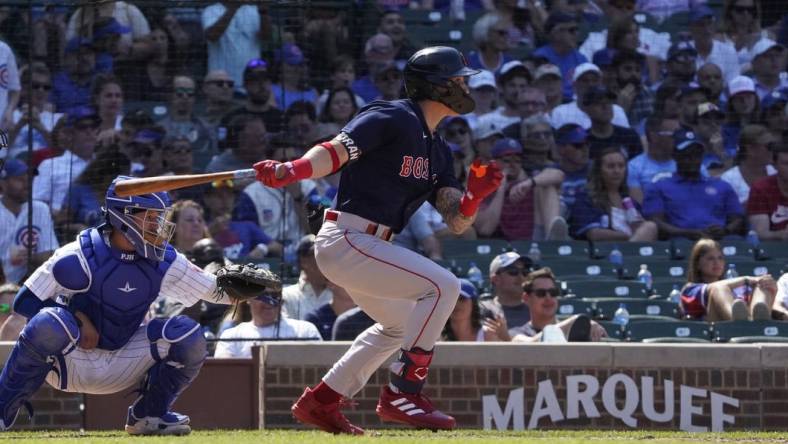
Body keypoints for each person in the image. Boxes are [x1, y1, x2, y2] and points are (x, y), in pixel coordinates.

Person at [254, 46, 502, 433]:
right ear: (436, 85)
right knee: (443, 286)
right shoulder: (392, 115)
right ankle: (404, 392)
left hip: (374, 247)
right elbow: (337, 151)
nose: (463, 86)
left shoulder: (438, 148)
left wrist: (474, 198)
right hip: (347, 235)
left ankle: (322, 401)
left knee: (400, 327)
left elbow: (455, 221)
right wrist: (295, 169)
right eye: (456, 79)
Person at [0, 176, 246, 434]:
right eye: (151, 218)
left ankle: (148, 416)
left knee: (188, 335)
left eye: (159, 218)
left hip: (124, 359)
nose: (158, 226)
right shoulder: (78, 253)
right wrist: (79, 317)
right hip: (70, 359)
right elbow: (25, 301)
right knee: (49, 322)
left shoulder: (165, 258)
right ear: (124, 217)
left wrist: (251, 287)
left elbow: (213, 290)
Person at [643, 130, 744, 240]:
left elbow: (737, 218)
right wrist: (686, 233)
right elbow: (655, 222)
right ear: (675, 155)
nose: (692, 159)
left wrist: (725, 230)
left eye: (697, 154)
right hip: (681, 242)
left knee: (735, 241)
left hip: (719, 240)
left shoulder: (722, 186)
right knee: (680, 242)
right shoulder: (659, 187)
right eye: (687, 155)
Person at [475, 137, 566, 241]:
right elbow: (486, 229)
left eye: (517, 161)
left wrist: (529, 183)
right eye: (507, 161)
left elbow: (559, 175)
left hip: (535, 241)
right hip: (502, 245)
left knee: (545, 185)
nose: (513, 165)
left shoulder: (530, 179)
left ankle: (553, 238)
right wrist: (500, 187)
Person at [569, 146, 658, 241]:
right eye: (611, 166)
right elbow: (593, 234)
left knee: (650, 226)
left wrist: (638, 227)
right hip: (602, 251)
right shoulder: (586, 198)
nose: (617, 171)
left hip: (632, 251)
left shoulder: (631, 202)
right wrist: (627, 236)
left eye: (621, 166)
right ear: (599, 171)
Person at [681, 238, 777, 320]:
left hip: (751, 321)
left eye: (720, 258)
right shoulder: (690, 289)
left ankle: (758, 323)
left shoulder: (736, 289)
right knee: (718, 288)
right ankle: (739, 322)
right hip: (718, 330)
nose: (716, 262)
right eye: (710, 258)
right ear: (697, 264)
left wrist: (771, 287)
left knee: (763, 284)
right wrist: (746, 279)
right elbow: (714, 287)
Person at [0, 159, 59, 284]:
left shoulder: (40, 209)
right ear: (3, 183)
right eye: (20, 179)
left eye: (29, 179)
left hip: (27, 283)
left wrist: (31, 257)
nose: (27, 184)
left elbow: (52, 255)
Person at [214, 291, 322, 358]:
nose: (270, 302)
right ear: (248, 299)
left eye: (275, 296)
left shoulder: (305, 331)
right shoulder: (231, 336)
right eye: (263, 296)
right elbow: (224, 374)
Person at [510, 267, 607, 342]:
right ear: (526, 298)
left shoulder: (576, 331)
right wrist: (572, 322)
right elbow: (529, 346)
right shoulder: (516, 333)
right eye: (541, 293)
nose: (548, 298)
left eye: (553, 292)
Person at [33, 106, 99, 213]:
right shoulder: (49, 165)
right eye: (82, 127)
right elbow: (37, 204)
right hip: (61, 225)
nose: (89, 131)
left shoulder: (105, 164)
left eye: (93, 126)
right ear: (69, 134)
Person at [202, 2, 269, 91]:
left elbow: (266, 37)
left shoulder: (254, 10)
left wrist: (263, 13)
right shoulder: (211, 11)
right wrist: (233, 8)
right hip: (222, 85)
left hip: (251, 87)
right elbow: (212, 36)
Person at [157, 75, 217, 172]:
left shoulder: (207, 128)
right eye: (180, 93)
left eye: (190, 94)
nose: (185, 97)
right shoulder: (159, 128)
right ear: (169, 95)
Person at [7, 63, 62, 159]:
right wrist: (19, 125)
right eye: (35, 86)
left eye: (46, 87)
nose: (41, 90)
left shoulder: (58, 119)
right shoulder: (6, 117)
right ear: (22, 89)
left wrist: (40, 127)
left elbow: (63, 153)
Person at [533, 12, 588, 101]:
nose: (576, 34)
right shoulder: (540, 57)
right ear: (555, 33)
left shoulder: (580, 58)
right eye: (571, 30)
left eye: (577, 30)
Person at [627, 114, 681, 203]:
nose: (680, 138)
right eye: (674, 134)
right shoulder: (634, 167)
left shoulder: (688, 163)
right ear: (653, 136)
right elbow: (640, 205)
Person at [720, 124, 777, 205]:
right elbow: (728, 212)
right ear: (750, 149)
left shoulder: (776, 172)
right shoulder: (729, 179)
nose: (773, 149)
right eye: (769, 146)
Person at [479, 252, 532, 337]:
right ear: (496, 279)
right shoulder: (484, 310)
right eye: (513, 271)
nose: (521, 277)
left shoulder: (536, 309)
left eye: (525, 272)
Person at [582, 86, 644, 159]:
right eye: (598, 103)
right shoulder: (582, 141)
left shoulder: (629, 136)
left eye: (608, 102)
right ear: (586, 109)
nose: (605, 107)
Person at [282, 235, 333, 321]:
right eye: (321, 255)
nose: (328, 260)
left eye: (330, 255)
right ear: (304, 261)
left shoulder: (342, 295)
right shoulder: (287, 295)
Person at [747, 144, 788, 240]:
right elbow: (761, 233)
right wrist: (782, 235)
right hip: (774, 248)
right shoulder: (760, 189)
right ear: (774, 165)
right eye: (787, 163)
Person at [690, 6, 740, 84]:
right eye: (701, 25)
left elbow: (733, 83)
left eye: (709, 23)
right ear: (692, 28)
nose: (706, 29)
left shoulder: (728, 51)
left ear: (715, 26)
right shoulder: (685, 51)